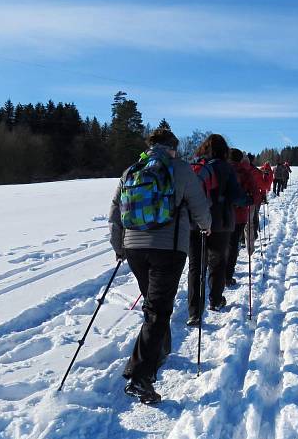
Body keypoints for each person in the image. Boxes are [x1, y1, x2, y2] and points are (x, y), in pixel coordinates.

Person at [109, 126, 211, 403]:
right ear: (173, 147)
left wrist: (119, 246)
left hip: (134, 248)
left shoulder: (132, 169)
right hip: (167, 247)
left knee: (154, 306)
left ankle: (158, 352)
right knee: (158, 309)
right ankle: (140, 376)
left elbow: (116, 211)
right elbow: (199, 205)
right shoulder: (180, 169)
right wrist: (206, 226)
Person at [187, 134, 246, 325]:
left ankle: (194, 311)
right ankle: (215, 300)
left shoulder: (194, 166)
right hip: (220, 224)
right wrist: (247, 200)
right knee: (217, 263)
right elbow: (236, 196)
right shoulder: (226, 168)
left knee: (196, 267)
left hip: (194, 223)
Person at [226, 149, 264, 285]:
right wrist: (251, 199)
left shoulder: (220, 170)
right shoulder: (246, 172)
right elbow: (256, 192)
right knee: (233, 244)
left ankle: (217, 275)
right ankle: (228, 275)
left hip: (220, 214)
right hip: (240, 214)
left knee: (222, 245)